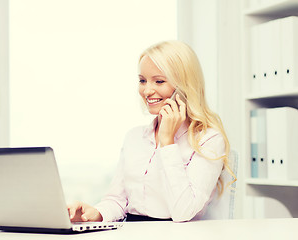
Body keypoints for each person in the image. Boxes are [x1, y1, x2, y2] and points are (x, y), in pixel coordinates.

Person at [67, 40, 235, 223]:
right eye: (142, 80)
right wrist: (95, 214)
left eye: (159, 81)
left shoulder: (208, 140)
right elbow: (117, 200)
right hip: (132, 232)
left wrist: (167, 142)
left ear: (184, 87)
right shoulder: (134, 137)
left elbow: (183, 212)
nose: (147, 90)